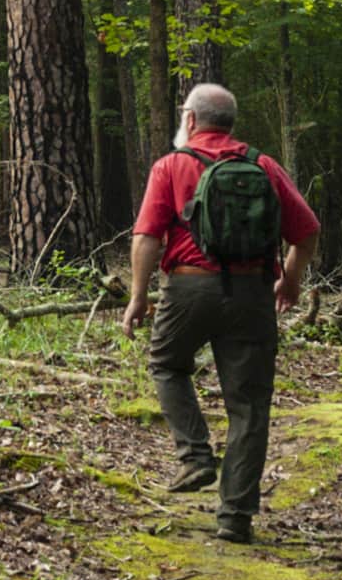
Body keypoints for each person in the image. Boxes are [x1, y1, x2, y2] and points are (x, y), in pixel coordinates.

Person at [120, 81, 318, 542]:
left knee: (167, 365)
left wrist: (139, 296)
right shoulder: (263, 166)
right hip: (252, 294)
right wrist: (289, 279)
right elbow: (307, 232)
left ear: (191, 119)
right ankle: (235, 517)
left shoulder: (171, 165)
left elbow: (146, 236)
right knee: (248, 404)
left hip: (189, 289)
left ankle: (194, 457)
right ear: (230, 123)